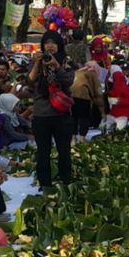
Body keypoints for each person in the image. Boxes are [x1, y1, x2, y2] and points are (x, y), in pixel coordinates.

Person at [28, 30, 75, 188]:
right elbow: (30, 81)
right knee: (43, 152)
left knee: (64, 151)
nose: (50, 45)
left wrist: (56, 65)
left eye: (53, 42)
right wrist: (36, 63)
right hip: (41, 115)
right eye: (47, 42)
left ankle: (66, 181)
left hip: (61, 114)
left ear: (59, 45)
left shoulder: (66, 61)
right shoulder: (37, 60)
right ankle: (45, 184)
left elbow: (68, 81)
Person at [71, 61, 106, 142]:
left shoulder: (77, 72)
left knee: (73, 117)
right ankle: (82, 138)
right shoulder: (92, 73)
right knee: (84, 117)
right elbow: (98, 91)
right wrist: (102, 111)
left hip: (70, 96)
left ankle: (73, 139)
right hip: (83, 96)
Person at [106, 65, 129, 131]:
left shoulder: (124, 86)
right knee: (104, 126)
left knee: (119, 130)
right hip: (112, 113)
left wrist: (119, 101)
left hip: (122, 114)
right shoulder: (112, 86)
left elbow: (128, 101)